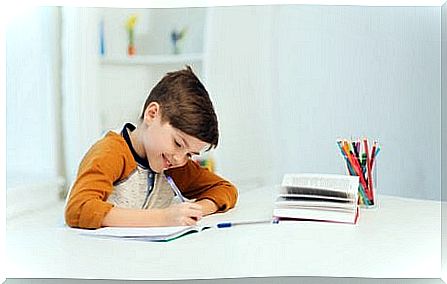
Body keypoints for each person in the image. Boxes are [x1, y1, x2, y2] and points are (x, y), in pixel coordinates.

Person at [65, 66, 238, 229]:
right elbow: (79, 208)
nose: (179, 158)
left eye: (190, 154)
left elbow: (225, 189)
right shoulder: (111, 153)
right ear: (152, 114)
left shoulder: (172, 163)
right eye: (178, 143)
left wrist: (194, 211)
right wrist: (164, 218)